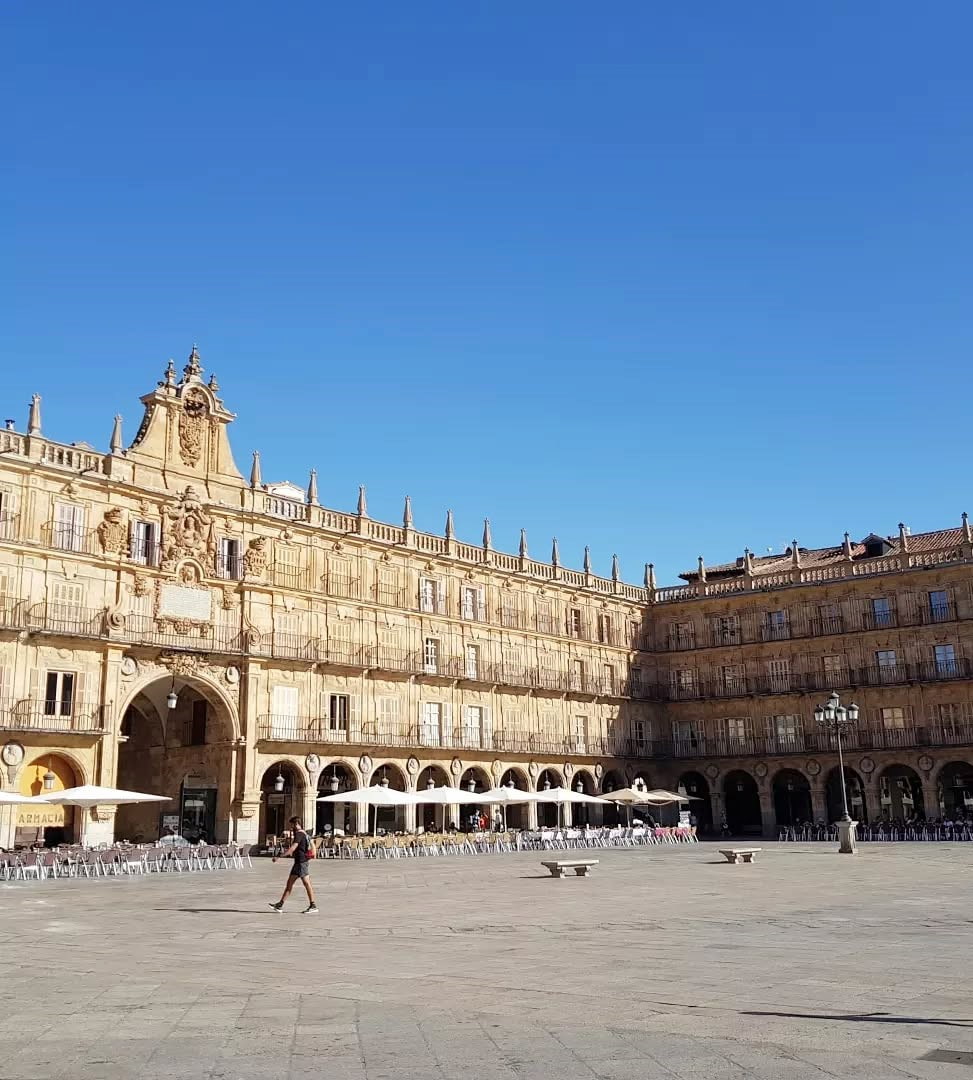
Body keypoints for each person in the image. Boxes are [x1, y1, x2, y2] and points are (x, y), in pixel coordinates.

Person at [268, 816, 318, 915]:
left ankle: (313, 905)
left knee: (306, 884)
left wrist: (279, 856)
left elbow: (292, 849)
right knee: (290, 884)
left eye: (291, 825)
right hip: (300, 862)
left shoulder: (299, 834)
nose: (291, 828)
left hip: (301, 863)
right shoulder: (304, 833)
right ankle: (280, 904)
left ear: (296, 824)